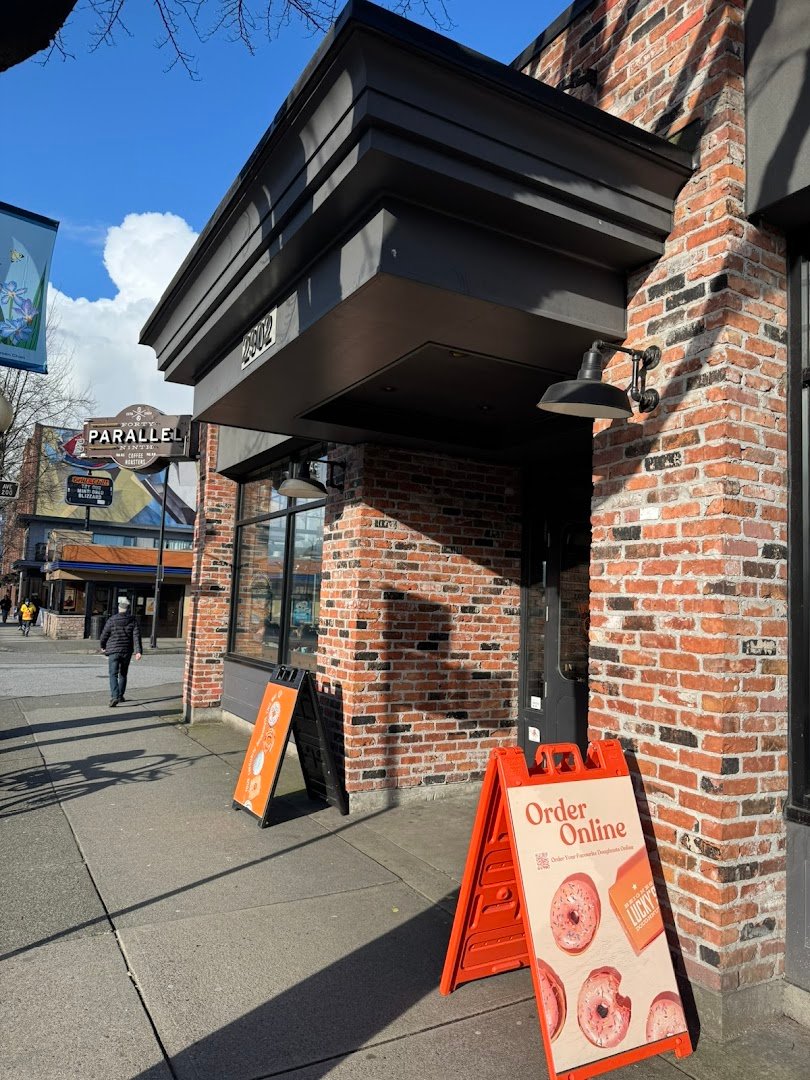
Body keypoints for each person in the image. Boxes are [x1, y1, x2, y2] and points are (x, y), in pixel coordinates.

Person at [99, 597, 142, 707]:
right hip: (126, 651)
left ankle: (114, 696)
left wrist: (102, 646)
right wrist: (138, 651)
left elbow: (104, 635)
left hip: (113, 650)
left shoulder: (112, 620)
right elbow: (136, 636)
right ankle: (120, 695)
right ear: (127, 609)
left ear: (119, 608)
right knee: (123, 674)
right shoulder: (133, 620)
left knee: (113, 674)